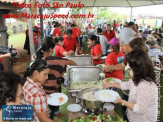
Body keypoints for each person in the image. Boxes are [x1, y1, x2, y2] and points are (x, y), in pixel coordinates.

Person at [103, 49, 158, 122]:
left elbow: (139, 109)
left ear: (138, 68)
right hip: (132, 117)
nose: (129, 70)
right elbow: (126, 85)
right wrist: (110, 84)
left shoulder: (146, 86)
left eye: (130, 68)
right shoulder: (138, 77)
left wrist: (122, 101)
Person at [36, 36, 77, 119]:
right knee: (49, 112)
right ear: (51, 49)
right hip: (51, 89)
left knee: (47, 109)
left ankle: (54, 113)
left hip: (42, 89)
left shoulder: (38, 59)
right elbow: (69, 61)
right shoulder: (54, 59)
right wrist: (77, 66)